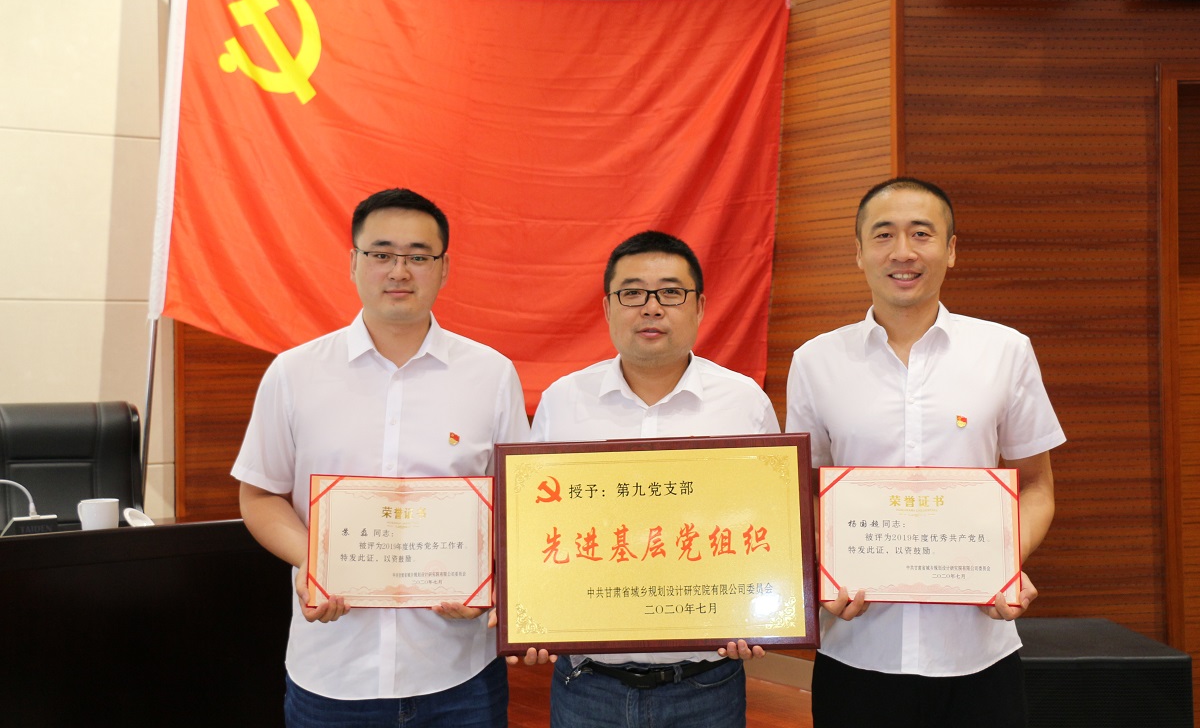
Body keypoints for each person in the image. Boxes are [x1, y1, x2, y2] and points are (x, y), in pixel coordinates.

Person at [232, 188, 530, 727]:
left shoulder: (491, 375)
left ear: (444, 269)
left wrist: (487, 576)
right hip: (333, 672)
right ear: (353, 262)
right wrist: (313, 562)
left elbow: (518, 506)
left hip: (459, 675)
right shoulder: (294, 373)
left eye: (419, 256)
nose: (399, 271)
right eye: (381, 253)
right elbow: (259, 495)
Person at [786, 177, 1063, 727]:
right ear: (859, 252)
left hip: (979, 653)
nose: (903, 252)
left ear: (951, 250)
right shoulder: (815, 361)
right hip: (857, 650)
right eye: (883, 234)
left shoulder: (1005, 351)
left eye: (921, 233)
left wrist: (1004, 563)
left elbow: (1037, 486)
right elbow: (806, 493)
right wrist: (824, 571)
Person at [526, 230, 778, 728]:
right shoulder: (563, 401)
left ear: (700, 306)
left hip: (706, 685)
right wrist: (530, 614)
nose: (651, 307)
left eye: (670, 292)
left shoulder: (743, 402)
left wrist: (760, 614)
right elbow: (536, 526)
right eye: (632, 293)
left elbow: (770, 526)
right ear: (607, 307)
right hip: (588, 686)